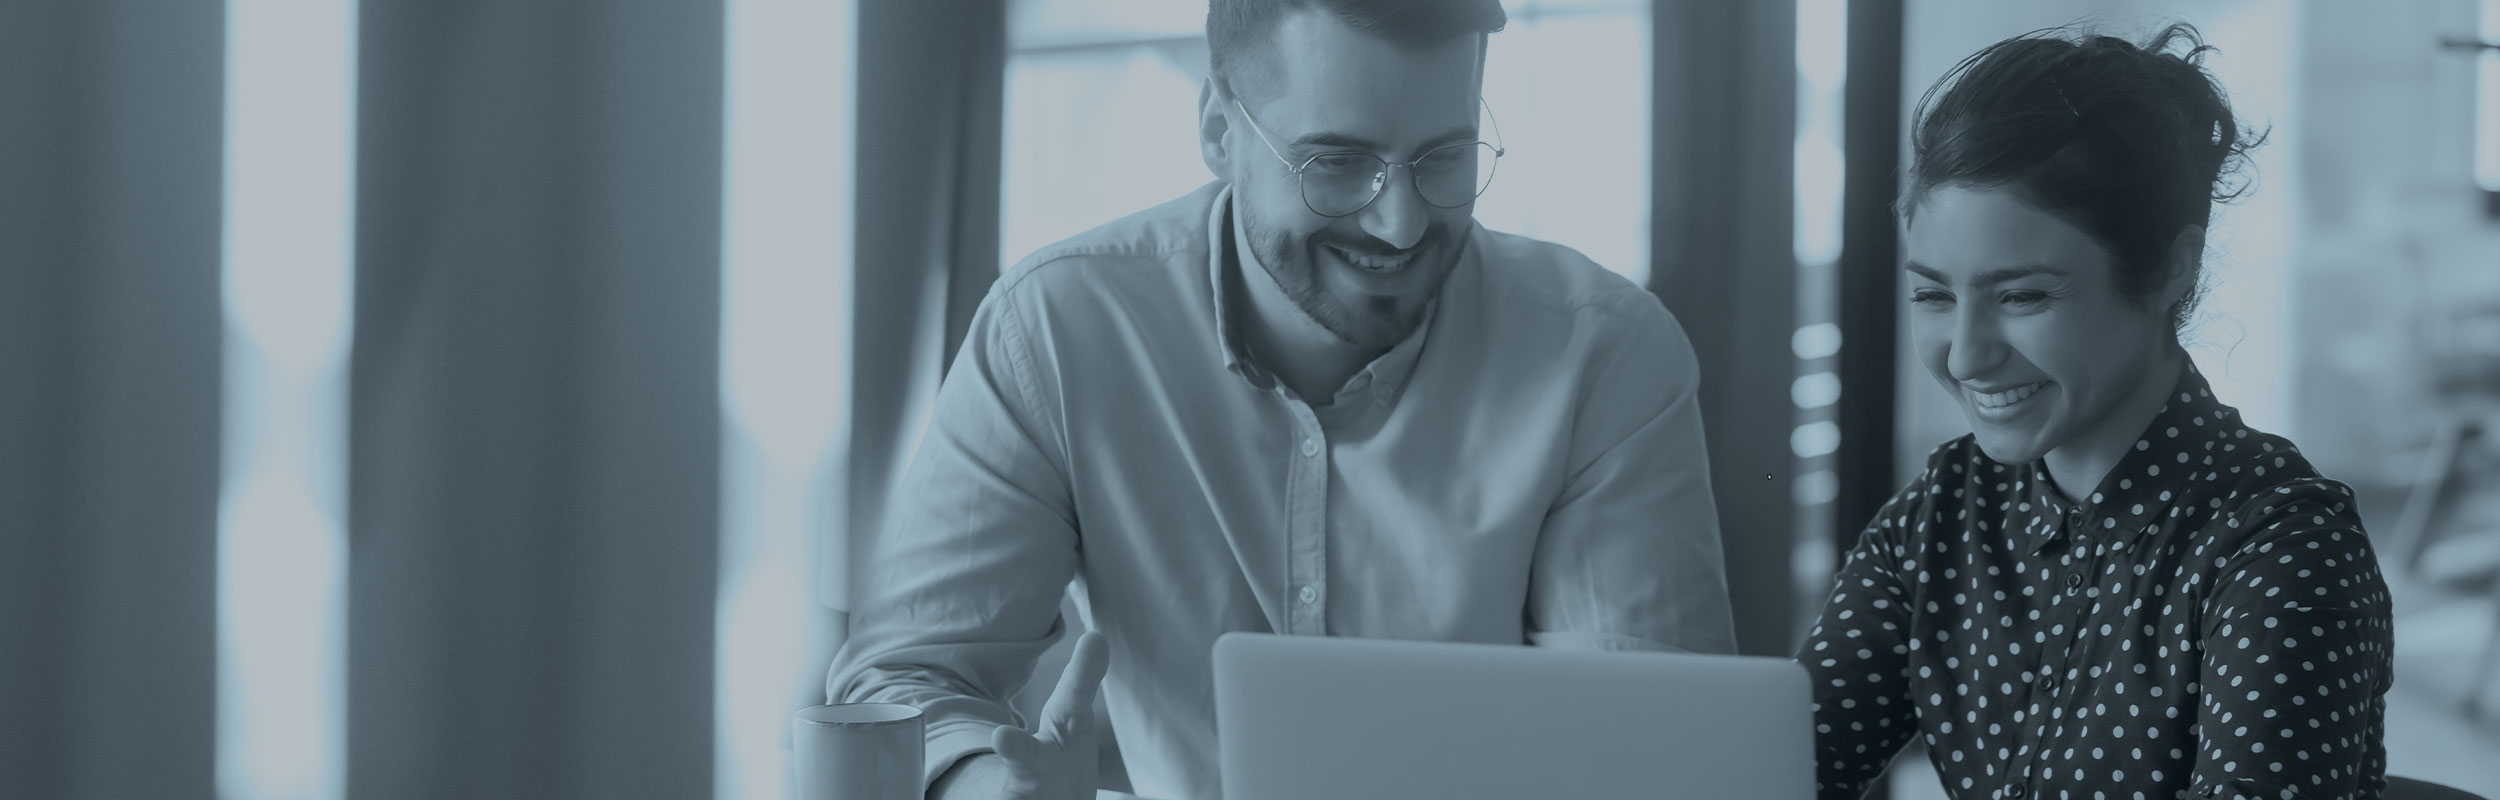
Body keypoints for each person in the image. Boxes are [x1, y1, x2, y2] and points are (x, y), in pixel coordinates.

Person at [826, 2, 1738, 798]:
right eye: (1337, 164)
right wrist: (990, 784)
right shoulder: (1057, 332)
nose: (1401, 221)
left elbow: (1655, 753)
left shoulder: (1606, 355)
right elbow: (901, 680)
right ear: (1221, 131)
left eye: (1443, 158)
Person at [1799, 23, 2395, 800]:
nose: (1965, 355)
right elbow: (1768, 766)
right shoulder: (1942, 516)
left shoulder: (2280, 551)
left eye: (2023, 296)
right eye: (1935, 295)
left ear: (2169, 270)